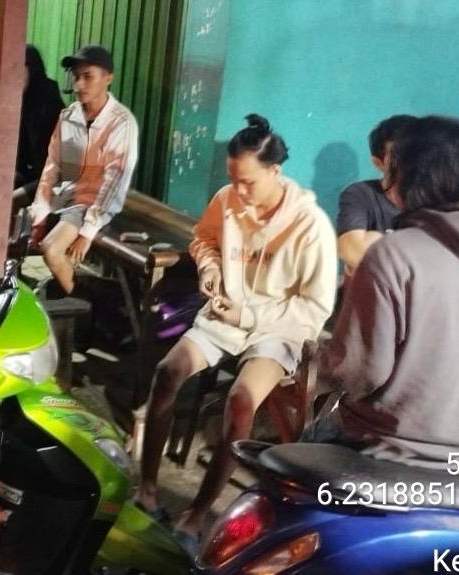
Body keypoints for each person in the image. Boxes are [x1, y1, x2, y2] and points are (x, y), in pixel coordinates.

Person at [135, 115, 338, 547]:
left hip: (278, 328)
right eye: (233, 180)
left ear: (275, 171)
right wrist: (209, 268)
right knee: (168, 372)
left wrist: (247, 316)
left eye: (248, 182)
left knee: (241, 400)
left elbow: (315, 307)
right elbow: (204, 239)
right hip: (225, 316)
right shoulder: (227, 199)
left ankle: (195, 515)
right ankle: (146, 490)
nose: (239, 192)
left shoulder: (311, 225)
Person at [315, 116, 459, 468]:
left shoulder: (394, 254)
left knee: (303, 441)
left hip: (378, 451)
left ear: (414, 175)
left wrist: (320, 362)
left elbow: (359, 373)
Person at [30, 45, 138, 295]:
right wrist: (40, 214)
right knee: (14, 225)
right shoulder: (68, 116)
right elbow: (51, 168)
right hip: (65, 196)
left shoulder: (121, 122)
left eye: (88, 77)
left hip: (90, 204)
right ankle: (52, 289)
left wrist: (88, 232)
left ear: (108, 78)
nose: (79, 84)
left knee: (51, 249)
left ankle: (86, 301)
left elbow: (114, 181)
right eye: (76, 77)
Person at [336, 114, 416, 274]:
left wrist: (378, 245)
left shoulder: (439, 195)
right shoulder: (360, 194)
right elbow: (350, 250)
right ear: (378, 163)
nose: (412, 162)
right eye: (399, 156)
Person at [17, 45, 64, 199]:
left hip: (55, 178)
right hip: (34, 174)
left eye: (20, 70)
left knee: (11, 199)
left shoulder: (47, 99)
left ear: (32, 69)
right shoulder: (23, 100)